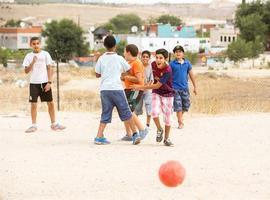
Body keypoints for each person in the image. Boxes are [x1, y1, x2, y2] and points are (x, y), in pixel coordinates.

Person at [94, 35, 141, 145]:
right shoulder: (119, 58)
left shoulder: (101, 58)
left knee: (105, 113)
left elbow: (97, 74)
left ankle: (99, 136)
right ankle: (135, 134)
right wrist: (120, 74)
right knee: (126, 112)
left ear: (104, 45)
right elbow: (129, 70)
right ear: (115, 46)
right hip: (116, 88)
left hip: (104, 90)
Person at [131, 48, 174, 147]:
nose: (158, 60)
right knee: (153, 112)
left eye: (161, 58)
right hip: (156, 93)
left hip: (168, 94)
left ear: (165, 59)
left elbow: (157, 85)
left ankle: (166, 139)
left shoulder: (168, 70)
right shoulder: (153, 64)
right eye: (157, 57)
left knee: (167, 118)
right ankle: (159, 129)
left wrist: (140, 87)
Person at [23, 37, 66, 133]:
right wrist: (33, 62)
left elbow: (50, 68)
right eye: (34, 44)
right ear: (31, 45)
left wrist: (49, 82)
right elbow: (26, 71)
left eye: (37, 43)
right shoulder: (28, 56)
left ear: (40, 44)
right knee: (33, 104)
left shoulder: (45, 54)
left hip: (44, 83)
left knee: (50, 103)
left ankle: (54, 124)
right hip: (34, 83)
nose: (36, 45)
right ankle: (33, 125)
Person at [120, 44, 148, 142]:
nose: (123, 54)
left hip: (136, 90)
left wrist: (126, 77)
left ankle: (142, 130)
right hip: (128, 89)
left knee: (129, 110)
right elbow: (128, 78)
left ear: (128, 52)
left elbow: (139, 79)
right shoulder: (129, 63)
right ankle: (129, 134)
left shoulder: (137, 63)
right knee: (124, 110)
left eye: (124, 51)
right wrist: (123, 77)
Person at [170, 45, 197, 129]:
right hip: (175, 89)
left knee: (186, 106)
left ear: (183, 53)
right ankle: (180, 122)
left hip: (185, 88)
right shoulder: (171, 64)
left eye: (180, 52)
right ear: (174, 54)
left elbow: (191, 75)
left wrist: (195, 87)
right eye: (176, 52)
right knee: (178, 106)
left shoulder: (187, 63)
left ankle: (180, 117)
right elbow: (168, 76)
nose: (178, 53)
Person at [134, 50, 153, 129]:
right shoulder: (138, 65)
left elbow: (151, 79)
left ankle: (147, 124)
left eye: (147, 57)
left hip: (147, 90)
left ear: (149, 58)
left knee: (149, 105)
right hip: (138, 90)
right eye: (143, 56)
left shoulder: (151, 67)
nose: (145, 58)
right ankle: (136, 124)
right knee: (137, 107)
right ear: (141, 57)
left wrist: (146, 87)